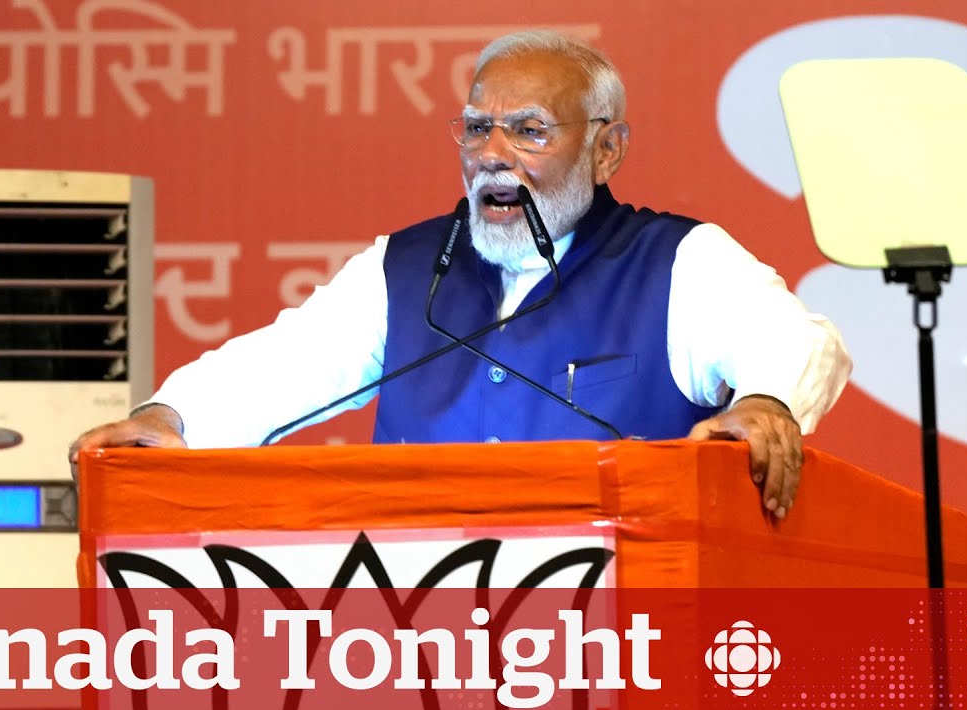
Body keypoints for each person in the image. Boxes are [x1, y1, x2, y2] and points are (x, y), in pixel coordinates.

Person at [70, 30, 851, 519]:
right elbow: (285, 363)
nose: (492, 156)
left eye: (530, 131)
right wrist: (173, 419)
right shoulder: (406, 266)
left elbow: (798, 341)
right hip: (427, 642)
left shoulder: (678, 261)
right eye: (478, 129)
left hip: (629, 643)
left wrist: (766, 402)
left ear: (606, 150)